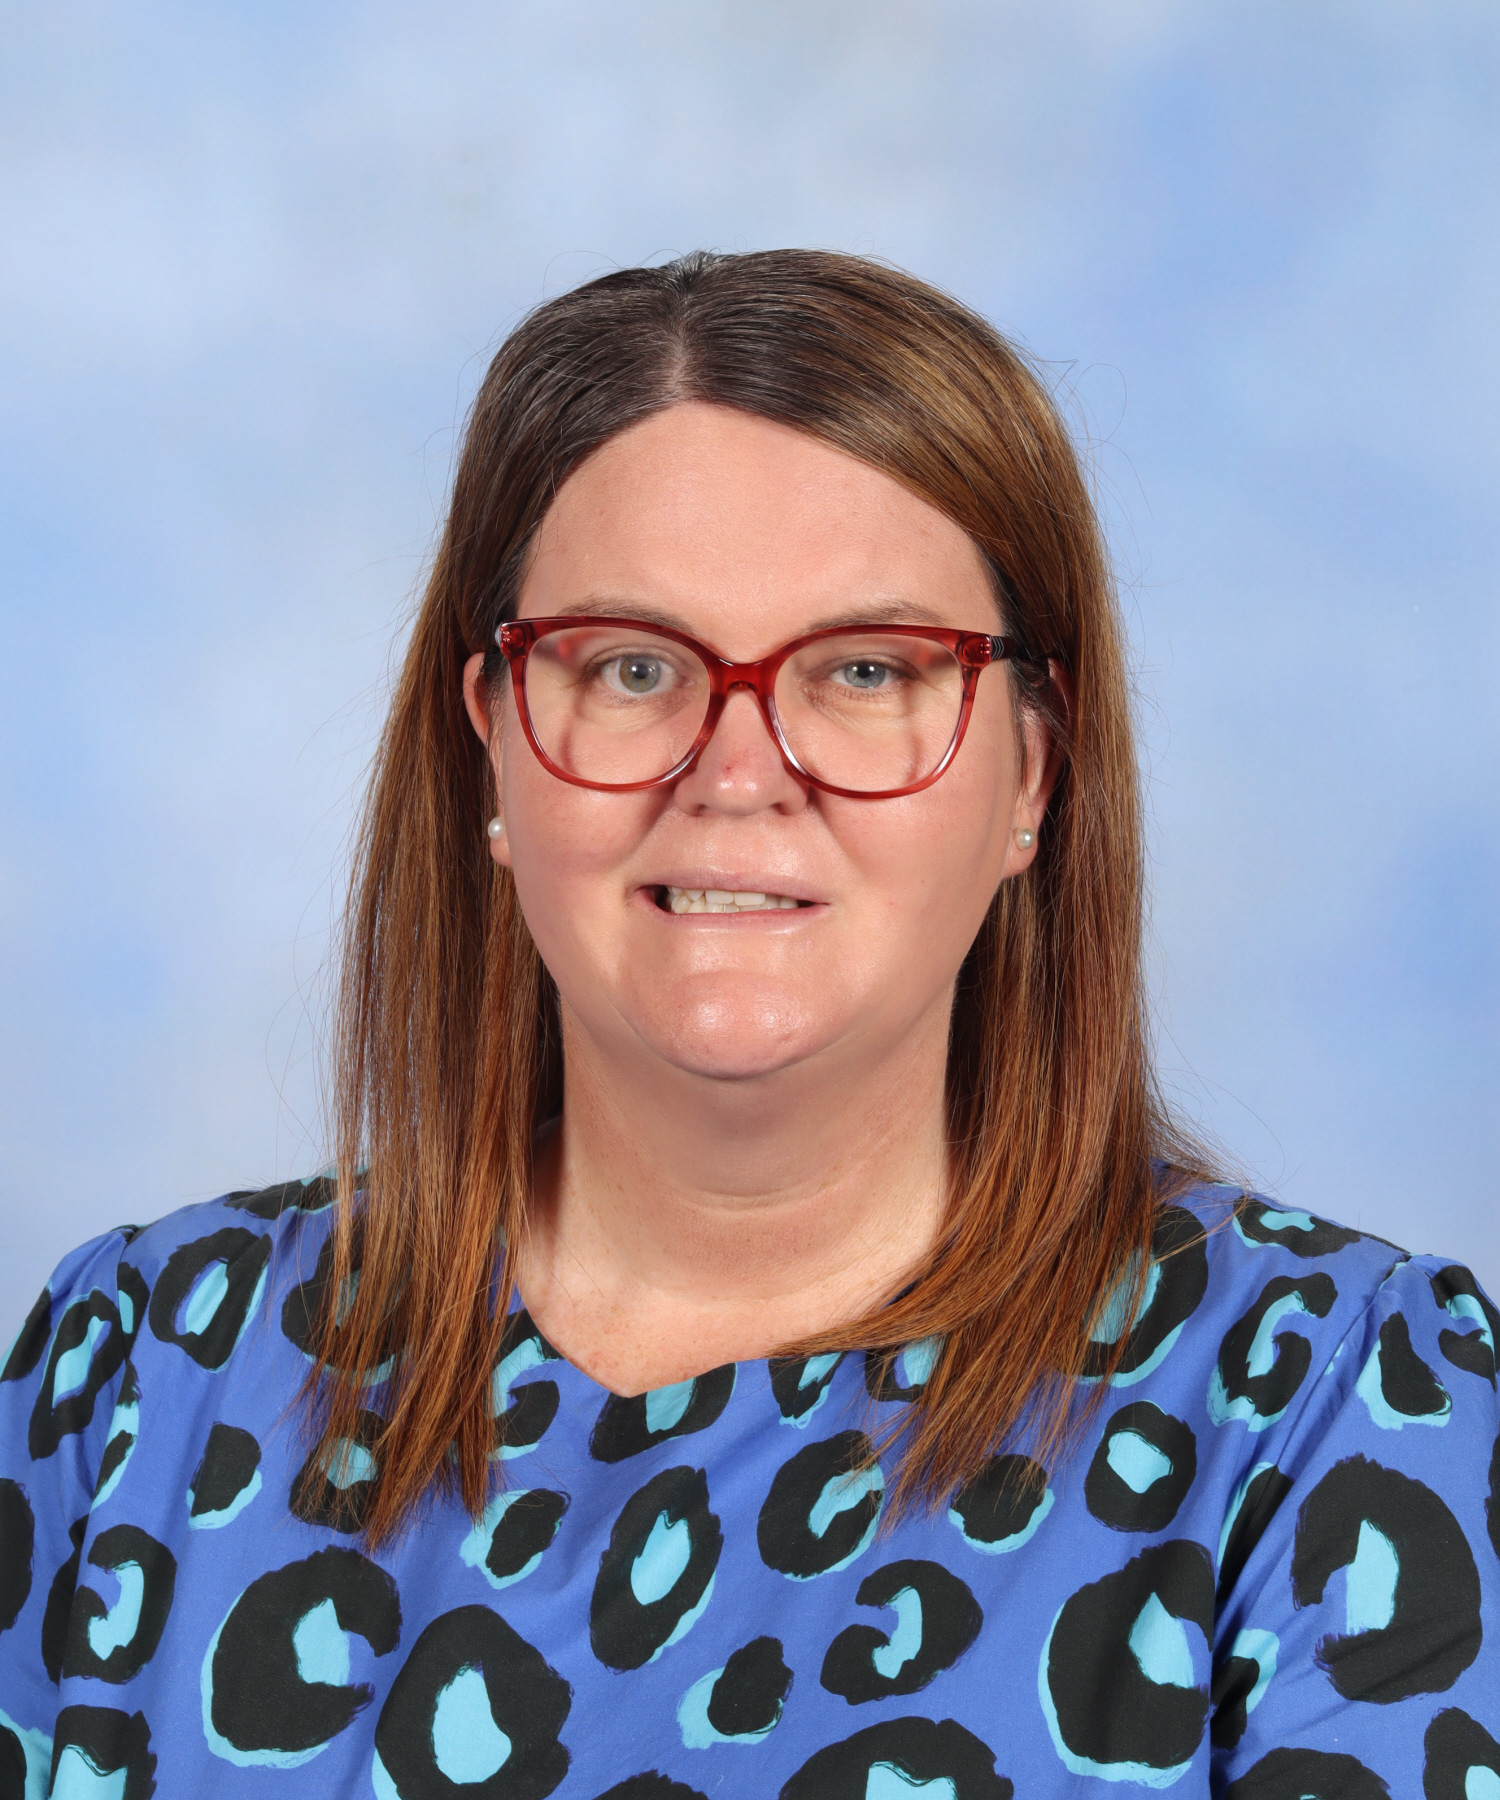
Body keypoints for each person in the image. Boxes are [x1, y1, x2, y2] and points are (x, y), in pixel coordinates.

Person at [1, 250, 1496, 1800]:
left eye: (866, 670)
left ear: (1035, 776)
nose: (736, 772)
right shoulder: (138, 1378)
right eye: (632, 667)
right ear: (494, 748)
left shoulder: (1323, 1409)